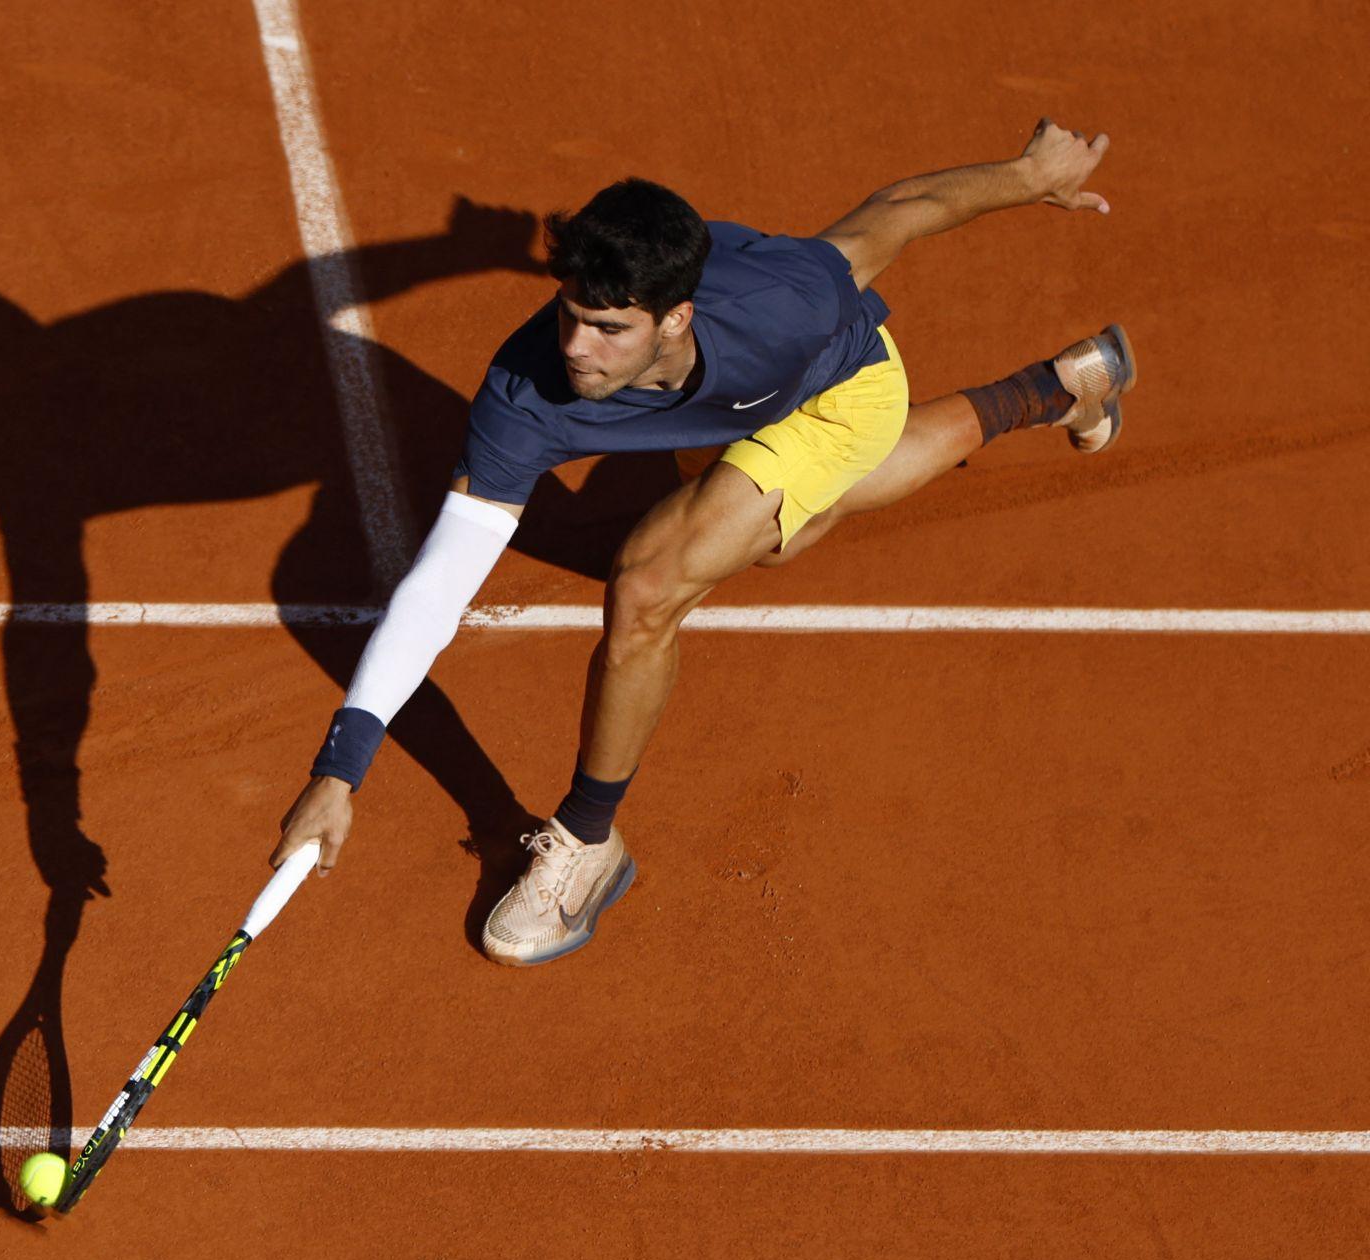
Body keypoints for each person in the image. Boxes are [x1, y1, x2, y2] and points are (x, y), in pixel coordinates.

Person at [269, 118, 1135, 966]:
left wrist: (1031, 177)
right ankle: (1050, 391)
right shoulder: (523, 397)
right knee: (777, 541)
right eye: (569, 315)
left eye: (609, 329)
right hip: (720, 415)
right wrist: (340, 768)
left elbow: (898, 209)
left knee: (649, 583)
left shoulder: (780, 304)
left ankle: (588, 844)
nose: (575, 349)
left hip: (839, 392)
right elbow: (438, 584)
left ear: (677, 318)